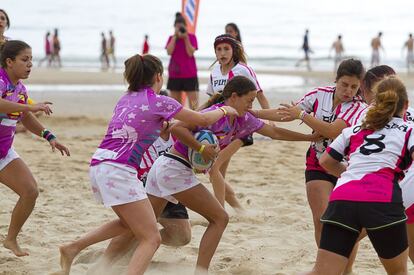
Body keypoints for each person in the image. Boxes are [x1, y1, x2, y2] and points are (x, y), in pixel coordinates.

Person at [56, 54, 239, 275]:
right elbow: (200, 120)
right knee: (150, 238)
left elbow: (142, 124)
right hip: (119, 169)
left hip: (99, 164)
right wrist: (225, 110)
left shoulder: (126, 98)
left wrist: (161, 127)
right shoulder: (159, 101)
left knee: (129, 225)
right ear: (159, 77)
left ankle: (72, 248)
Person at [146, 75, 318, 273]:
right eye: (250, 100)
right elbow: (177, 129)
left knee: (144, 228)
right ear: (234, 97)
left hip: (168, 168)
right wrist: (201, 149)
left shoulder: (243, 119)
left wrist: (309, 137)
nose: (252, 105)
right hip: (174, 168)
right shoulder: (213, 114)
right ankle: (200, 272)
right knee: (220, 219)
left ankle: (111, 257)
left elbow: (275, 133)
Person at [305, 76, 411, 275]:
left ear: (374, 104)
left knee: (322, 273)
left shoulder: (354, 129)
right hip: (382, 199)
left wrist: (353, 174)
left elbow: (326, 161)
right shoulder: (409, 129)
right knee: (398, 273)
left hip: (343, 198)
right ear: (406, 105)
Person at [276, 59, 366, 274]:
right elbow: (288, 112)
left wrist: (302, 116)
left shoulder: (358, 107)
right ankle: (327, 267)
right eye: (344, 84)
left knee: (345, 223)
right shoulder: (320, 94)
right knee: (322, 219)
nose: (348, 91)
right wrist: (253, 114)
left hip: (347, 168)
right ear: (336, 80)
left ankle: (346, 269)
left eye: (354, 87)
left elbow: (332, 131)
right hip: (317, 162)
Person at [0, 40, 70, 257]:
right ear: (9, 62)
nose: (30, 64)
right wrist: (30, 105)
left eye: (31, 59)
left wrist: (49, 136)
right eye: (25, 59)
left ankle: (10, 240)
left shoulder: (19, 88)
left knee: (30, 191)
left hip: (3, 153)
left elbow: (26, 117)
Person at [206, 34, 273, 210]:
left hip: (242, 127)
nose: (222, 53)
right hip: (222, 129)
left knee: (214, 168)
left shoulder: (243, 70)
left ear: (234, 50)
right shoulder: (214, 73)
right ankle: (238, 209)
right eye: (218, 49)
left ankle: (219, 212)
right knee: (217, 172)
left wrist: (267, 117)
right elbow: (213, 102)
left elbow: (260, 95)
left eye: (226, 49)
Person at [166, 13, 199, 110]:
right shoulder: (171, 38)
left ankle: (194, 123)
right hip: (175, 74)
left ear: (185, 27)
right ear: (174, 27)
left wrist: (186, 38)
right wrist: (175, 37)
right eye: (177, 27)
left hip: (190, 74)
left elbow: (190, 53)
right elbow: (169, 51)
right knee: (176, 107)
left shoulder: (191, 37)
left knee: (194, 105)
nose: (180, 29)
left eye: (182, 27)